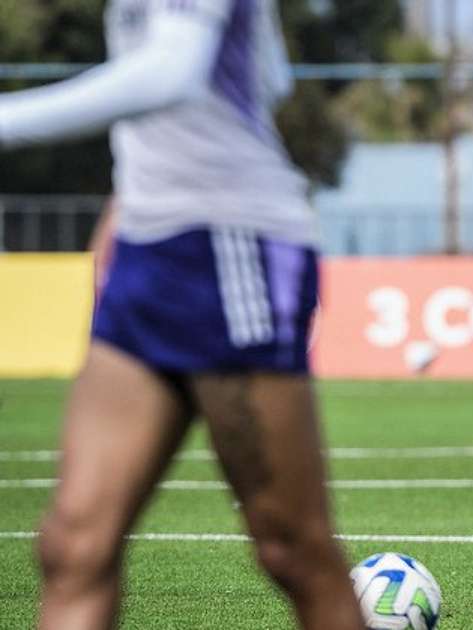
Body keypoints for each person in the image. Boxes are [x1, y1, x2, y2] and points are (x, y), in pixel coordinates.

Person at [0, 2, 365, 628]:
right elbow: (267, 75)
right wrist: (139, 191)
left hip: (229, 244)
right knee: (73, 546)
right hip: (150, 245)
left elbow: (172, 72)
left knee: (291, 549)